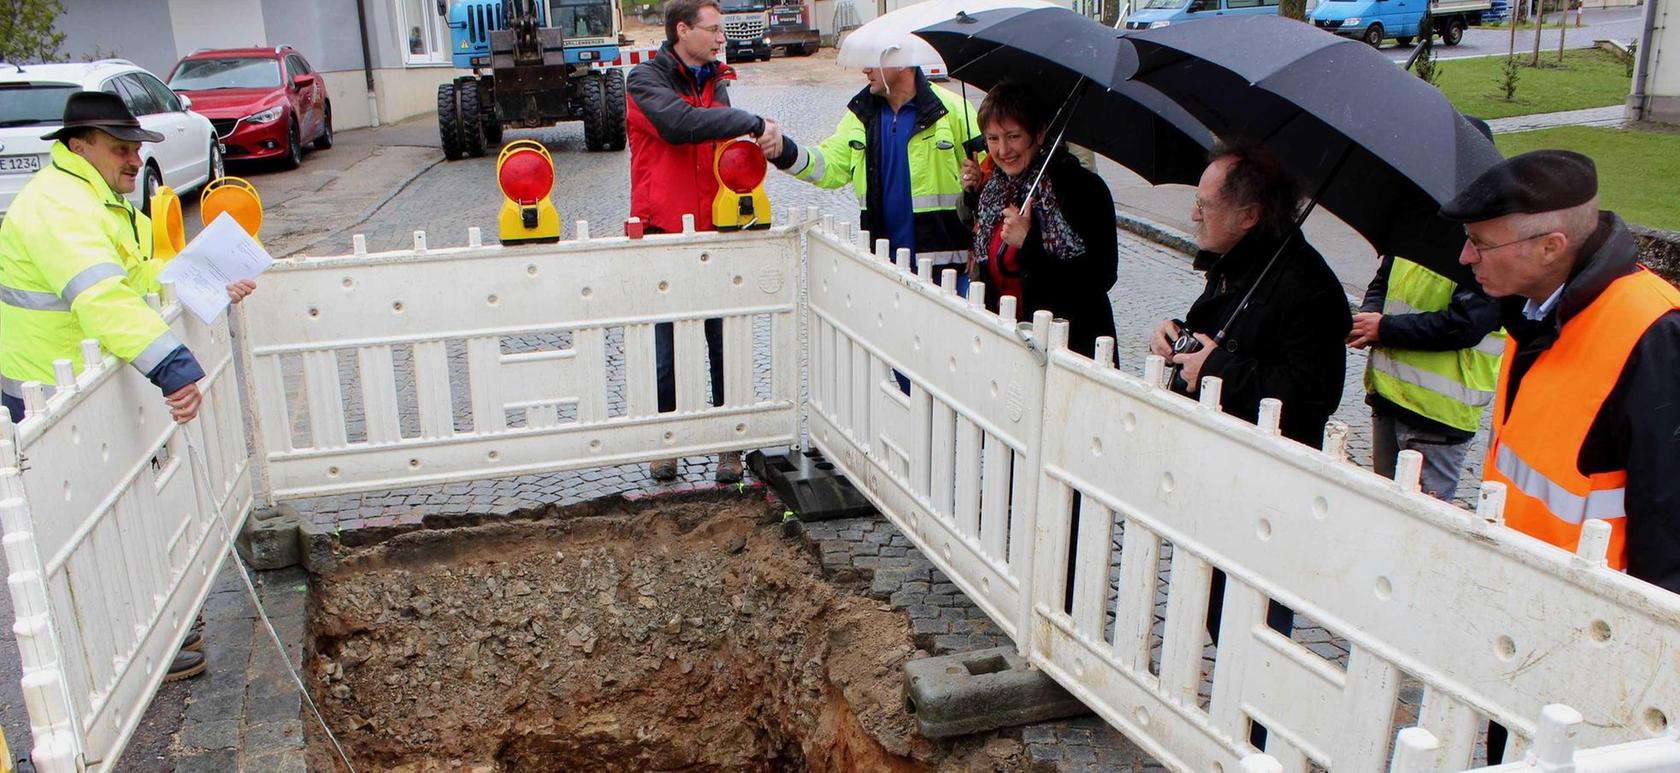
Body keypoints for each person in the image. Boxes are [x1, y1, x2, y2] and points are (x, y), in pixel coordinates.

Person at [0, 91, 258, 681]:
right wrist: (174, 366)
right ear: (78, 145)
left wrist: (212, 281)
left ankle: (158, 637)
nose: (133, 159)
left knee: (130, 511)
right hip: (50, 397)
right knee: (88, 535)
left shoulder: (101, 201)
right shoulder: (59, 208)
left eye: (136, 147)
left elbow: (140, 277)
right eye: (120, 147)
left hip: (87, 384)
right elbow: (102, 297)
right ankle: (110, 660)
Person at [1444, 149, 1680, 764]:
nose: (1465, 258)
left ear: (1550, 246)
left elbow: (1669, 521)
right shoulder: (1535, 314)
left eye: (1479, 243)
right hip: (1526, 616)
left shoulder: (1651, 330)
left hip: (1598, 642)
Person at [627, 0, 783, 483]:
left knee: (724, 340)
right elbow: (680, 127)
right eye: (713, 30)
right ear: (682, 31)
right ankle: (666, 443)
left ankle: (727, 445)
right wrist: (751, 123)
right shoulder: (644, 82)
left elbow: (724, 144)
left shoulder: (717, 81)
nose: (721, 39)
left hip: (717, 227)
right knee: (667, 345)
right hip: (664, 229)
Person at [1148, 141, 1351, 447]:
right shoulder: (1235, 258)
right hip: (1210, 441)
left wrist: (1215, 369)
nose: (1193, 215)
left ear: (1249, 217)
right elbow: (1225, 330)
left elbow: (1312, 396)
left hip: (1259, 458)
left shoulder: (1311, 288)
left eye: (1204, 205)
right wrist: (1177, 335)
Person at [765, 55, 979, 289]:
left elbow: (990, 180)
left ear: (902, 62)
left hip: (948, 267)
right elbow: (827, 165)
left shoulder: (955, 110)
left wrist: (980, 242)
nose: (866, 69)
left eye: (874, 61)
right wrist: (783, 150)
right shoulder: (861, 115)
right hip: (885, 264)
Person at [964, 80, 1116, 361]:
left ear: (1039, 133)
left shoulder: (1082, 189)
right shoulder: (994, 189)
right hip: (1007, 345)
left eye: (1013, 136)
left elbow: (1101, 276)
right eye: (993, 138)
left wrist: (1029, 243)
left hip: (1069, 350)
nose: (1002, 150)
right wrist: (971, 197)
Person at [1348, 255, 1504, 500]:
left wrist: (1384, 328)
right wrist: (1368, 318)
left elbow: (1467, 324)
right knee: (1381, 505)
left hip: (1439, 412)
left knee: (1425, 518)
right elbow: (1382, 282)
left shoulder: (1484, 248)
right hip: (1388, 394)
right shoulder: (1415, 228)